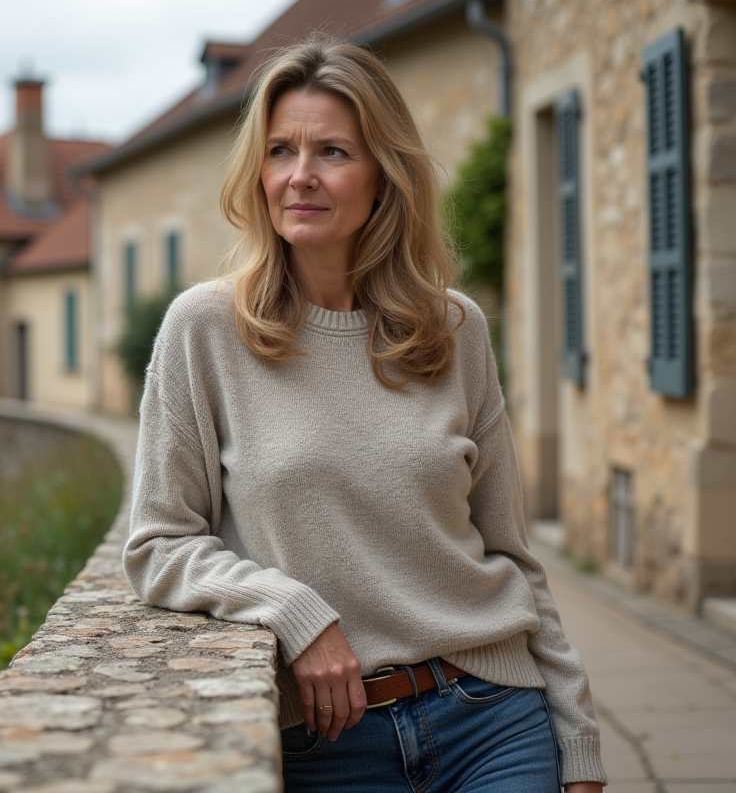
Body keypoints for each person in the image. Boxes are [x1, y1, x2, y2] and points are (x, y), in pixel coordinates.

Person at [122, 38, 607, 793]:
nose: (300, 176)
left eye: (333, 152)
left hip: (490, 719)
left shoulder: (454, 330)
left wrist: (578, 742)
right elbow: (157, 544)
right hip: (327, 743)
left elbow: (513, 557)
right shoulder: (206, 330)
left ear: (384, 175)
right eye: (280, 150)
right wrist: (294, 610)